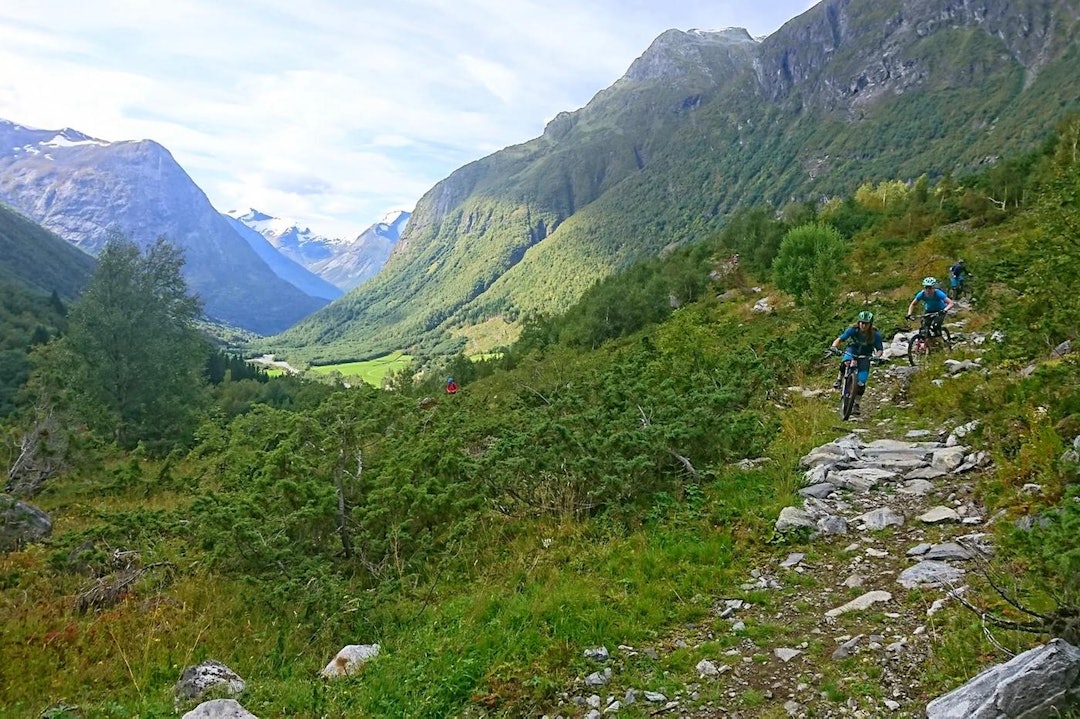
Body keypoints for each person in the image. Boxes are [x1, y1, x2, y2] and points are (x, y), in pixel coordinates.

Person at [830, 310, 884, 416]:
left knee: (861, 382)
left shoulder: (875, 335)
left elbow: (879, 349)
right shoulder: (853, 330)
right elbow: (840, 339)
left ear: (870, 324)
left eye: (866, 323)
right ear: (858, 322)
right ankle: (839, 378)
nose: (863, 325)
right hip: (852, 350)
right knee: (846, 361)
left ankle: (856, 404)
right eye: (862, 323)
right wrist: (834, 347)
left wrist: (877, 357)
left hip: (866, 355)